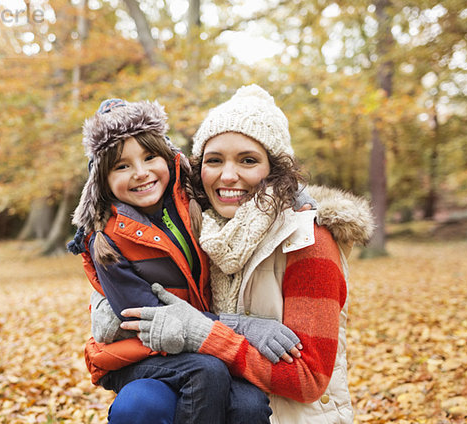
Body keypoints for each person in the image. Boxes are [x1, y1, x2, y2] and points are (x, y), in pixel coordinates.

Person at [110, 84, 374, 423]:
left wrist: (207, 334)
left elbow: (309, 378)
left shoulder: (309, 241)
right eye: (214, 160)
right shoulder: (200, 230)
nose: (228, 175)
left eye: (248, 160)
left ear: (276, 169)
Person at [67, 98, 310, 424]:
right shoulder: (107, 241)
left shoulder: (189, 198)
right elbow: (150, 320)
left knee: (249, 404)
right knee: (205, 371)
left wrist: (297, 196)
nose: (141, 173)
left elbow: (243, 183)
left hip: (199, 342)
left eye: (150, 157)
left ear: (169, 159)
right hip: (141, 353)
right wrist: (246, 327)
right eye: (122, 166)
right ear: (102, 182)